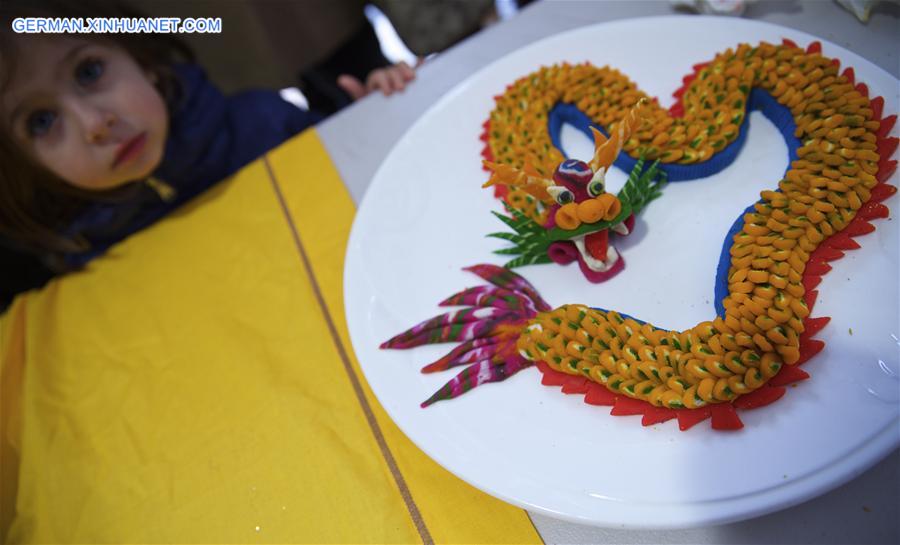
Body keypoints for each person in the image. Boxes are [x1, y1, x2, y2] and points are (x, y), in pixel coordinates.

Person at [0, 0, 410, 311]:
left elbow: (381, 198)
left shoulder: (264, 121)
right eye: (41, 121)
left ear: (143, 61)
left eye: (88, 71)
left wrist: (371, 120)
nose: (94, 123)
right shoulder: (79, 251)